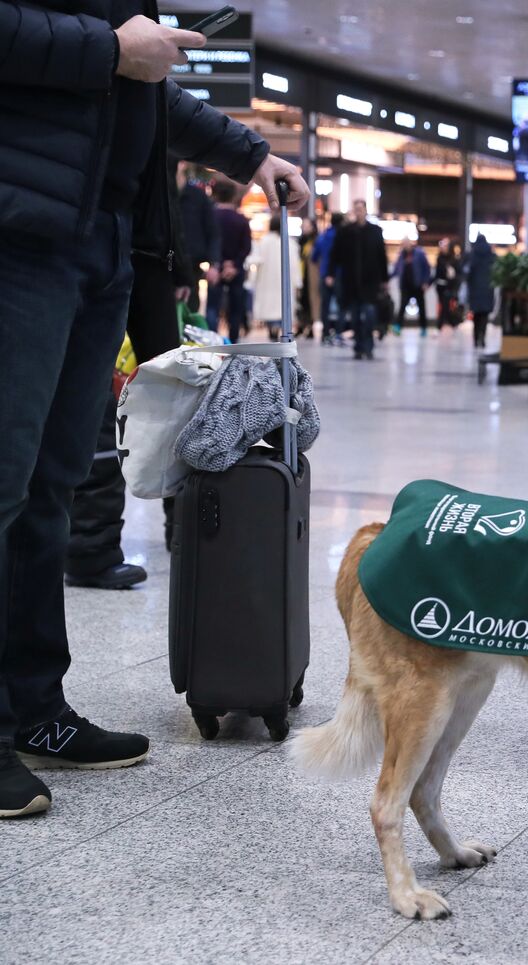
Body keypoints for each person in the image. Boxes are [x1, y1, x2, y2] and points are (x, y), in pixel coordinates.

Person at [0, 3, 309, 819]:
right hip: (19, 231)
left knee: (50, 485)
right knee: (4, 481)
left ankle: (33, 708)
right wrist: (107, 48)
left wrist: (250, 155)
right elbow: (111, 60)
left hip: (101, 238)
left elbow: (142, 87)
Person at [328, 199, 389, 360]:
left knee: (369, 315)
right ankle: (358, 347)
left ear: (366, 210)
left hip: (370, 281)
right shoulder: (346, 231)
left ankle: (368, 346)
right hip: (352, 281)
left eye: (361, 209)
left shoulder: (375, 231)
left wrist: (384, 279)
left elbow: (382, 256)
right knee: (355, 316)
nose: (358, 212)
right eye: (356, 209)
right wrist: (331, 274)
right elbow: (336, 255)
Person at [208, 178, 252, 342]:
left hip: (215, 268)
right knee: (235, 309)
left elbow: (208, 242)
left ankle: (212, 343)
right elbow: (246, 247)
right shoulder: (241, 220)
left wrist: (218, 262)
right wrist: (233, 264)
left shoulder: (211, 216)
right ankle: (234, 343)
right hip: (236, 269)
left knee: (213, 307)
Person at [249, 213, 302, 340]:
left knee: (269, 306)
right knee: (282, 307)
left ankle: (271, 330)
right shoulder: (290, 243)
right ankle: (279, 329)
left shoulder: (264, 242)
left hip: (267, 282)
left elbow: (254, 261)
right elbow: (295, 265)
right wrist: (298, 283)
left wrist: (252, 280)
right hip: (284, 283)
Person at [176, 162, 220, 311]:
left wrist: (214, 264)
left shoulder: (197, 196)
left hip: (192, 263)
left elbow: (212, 231)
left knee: (190, 307)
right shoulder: (161, 195)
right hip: (165, 262)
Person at [313, 212, 344, 342]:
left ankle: (325, 334)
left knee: (324, 306)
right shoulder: (344, 236)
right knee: (341, 305)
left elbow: (314, 256)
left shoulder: (323, 236)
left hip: (324, 275)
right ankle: (338, 333)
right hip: (340, 276)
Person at [391, 237, 432, 335]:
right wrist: (387, 279)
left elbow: (427, 268)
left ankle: (423, 328)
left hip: (417, 285)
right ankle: (398, 327)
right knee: (402, 307)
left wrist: (426, 282)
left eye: (406, 243)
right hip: (405, 285)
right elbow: (397, 269)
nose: (404, 245)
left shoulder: (419, 254)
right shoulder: (402, 255)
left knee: (422, 308)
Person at [464, 233, 496, 349]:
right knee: (484, 317)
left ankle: (476, 338)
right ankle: (482, 338)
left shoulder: (472, 256)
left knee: (476, 317)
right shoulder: (492, 256)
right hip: (488, 290)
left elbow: (468, 274)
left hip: (475, 290)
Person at [433, 239, 463, 329]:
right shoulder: (439, 258)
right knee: (444, 306)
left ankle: (441, 325)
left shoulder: (454, 259)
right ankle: (453, 323)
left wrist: (453, 277)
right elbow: (437, 273)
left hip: (449, 287)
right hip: (440, 286)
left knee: (445, 306)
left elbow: (458, 274)